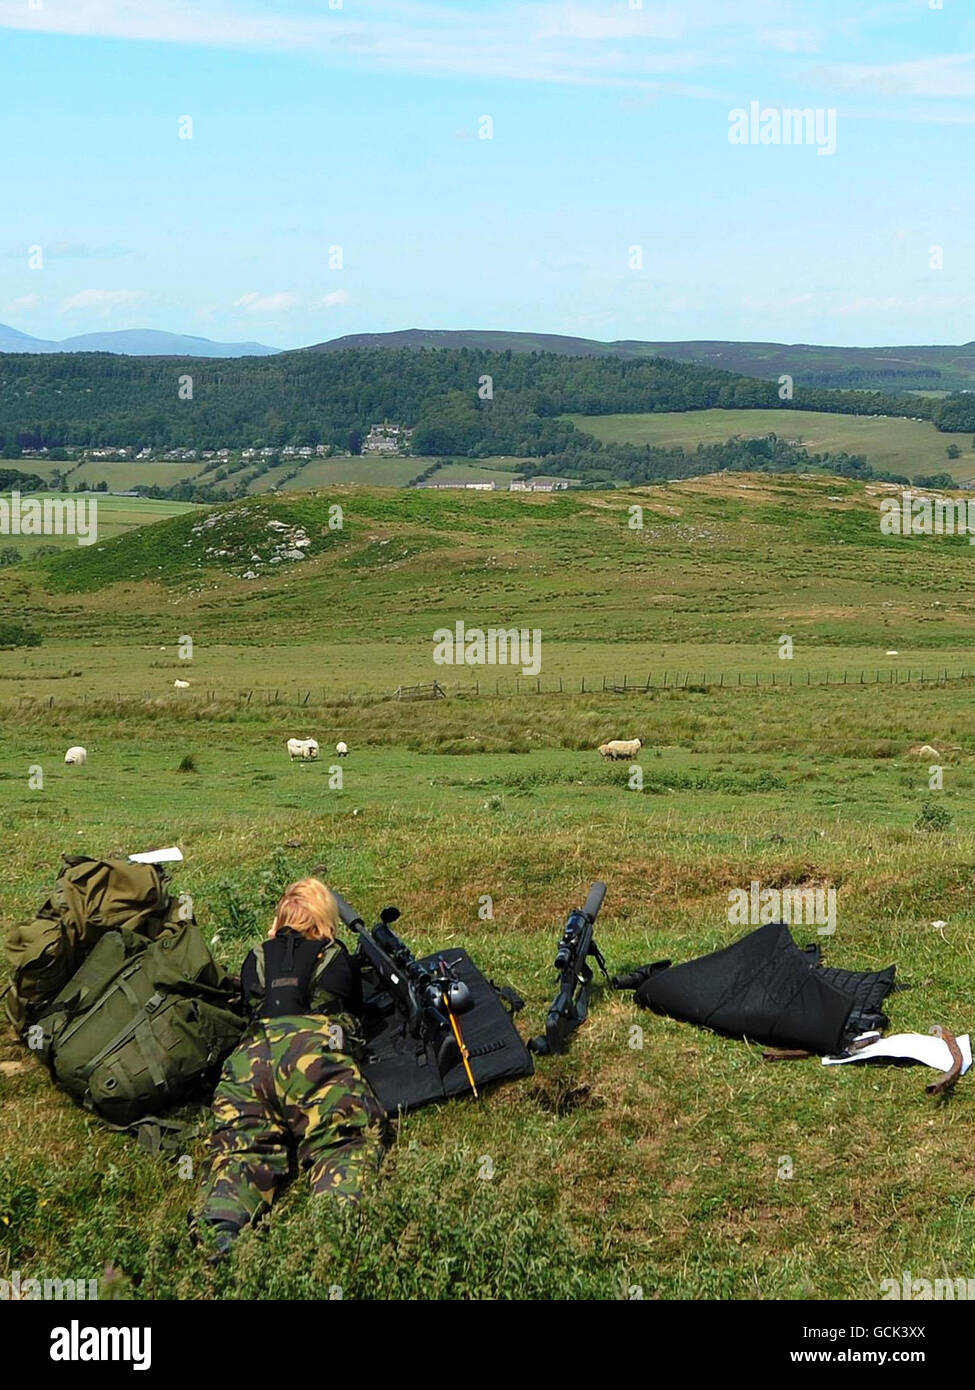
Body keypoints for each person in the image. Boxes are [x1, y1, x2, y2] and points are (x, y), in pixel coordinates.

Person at [192, 877, 384, 1257]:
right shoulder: (334, 955)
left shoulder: (255, 958)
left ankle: (221, 1231)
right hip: (313, 1057)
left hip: (250, 1061)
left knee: (241, 1150)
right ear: (323, 920)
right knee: (343, 1140)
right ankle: (333, 1233)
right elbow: (355, 1012)